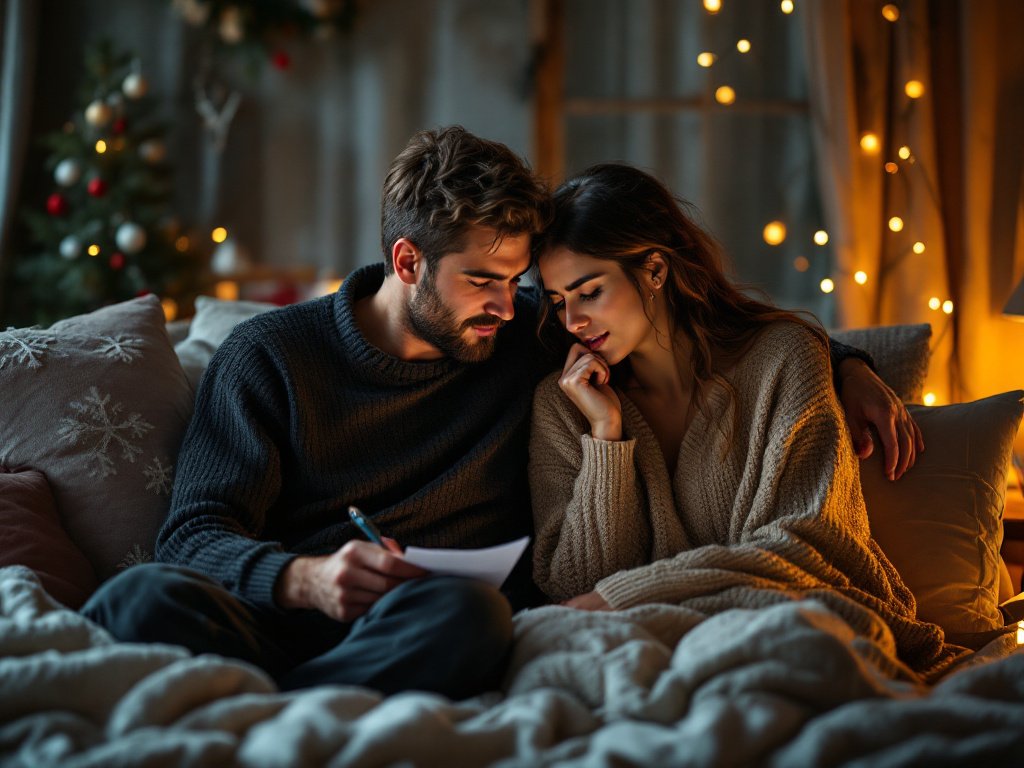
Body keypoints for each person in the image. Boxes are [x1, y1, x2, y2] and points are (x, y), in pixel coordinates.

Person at [81, 127, 925, 699]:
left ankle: (279, 713)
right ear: (407, 262)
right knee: (143, 597)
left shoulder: (526, 335)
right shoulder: (268, 356)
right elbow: (192, 534)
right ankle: (302, 699)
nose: (509, 304)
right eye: (484, 281)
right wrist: (305, 578)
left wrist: (845, 361)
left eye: (518, 281)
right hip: (282, 618)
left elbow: (710, 329)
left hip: (424, 628)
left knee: (473, 617)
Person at [528, 163, 956, 677]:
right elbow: (578, 589)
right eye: (558, 302)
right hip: (638, 650)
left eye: (590, 292)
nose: (573, 321)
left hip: (788, 624)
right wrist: (606, 439)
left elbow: (806, 544)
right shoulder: (564, 404)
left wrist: (631, 593)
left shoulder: (783, 360)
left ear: (655, 270)